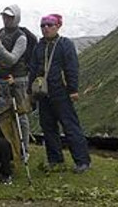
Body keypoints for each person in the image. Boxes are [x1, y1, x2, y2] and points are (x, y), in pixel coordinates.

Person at [29, 14, 91, 173]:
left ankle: (82, 161)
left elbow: (72, 68)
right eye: (42, 25)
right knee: (48, 127)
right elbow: (33, 69)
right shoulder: (39, 46)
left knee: (70, 127)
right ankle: (55, 160)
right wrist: (31, 91)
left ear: (58, 26)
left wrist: (73, 89)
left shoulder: (65, 44)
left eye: (49, 25)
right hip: (43, 94)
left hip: (61, 92)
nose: (46, 28)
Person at [0, 5, 32, 154]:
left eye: (9, 17)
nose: (6, 19)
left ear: (16, 18)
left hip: (18, 80)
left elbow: (12, 59)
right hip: (1, 79)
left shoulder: (21, 37)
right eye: (4, 16)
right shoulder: (1, 33)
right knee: (4, 114)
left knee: (20, 114)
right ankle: (10, 146)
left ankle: (24, 149)